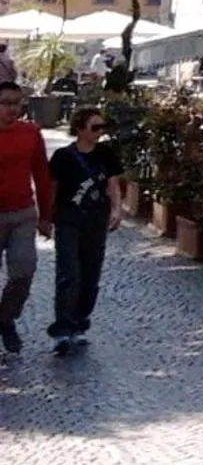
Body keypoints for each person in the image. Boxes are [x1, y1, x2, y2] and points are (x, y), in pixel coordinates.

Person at [48, 105, 122, 355]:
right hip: (69, 219)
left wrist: (116, 210)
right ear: (80, 129)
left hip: (96, 220)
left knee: (90, 276)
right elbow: (52, 188)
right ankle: (62, 329)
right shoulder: (63, 157)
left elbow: (113, 185)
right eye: (95, 127)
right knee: (69, 273)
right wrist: (46, 217)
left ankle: (79, 322)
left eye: (103, 127)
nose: (100, 132)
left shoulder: (106, 154)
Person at [0, 80, 53, 355]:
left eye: (17, 103)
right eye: (6, 103)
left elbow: (42, 175)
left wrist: (46, 216)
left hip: (22, 213)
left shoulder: (30, 133)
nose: (12, 109)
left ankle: (5, 318)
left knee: (24, 272)